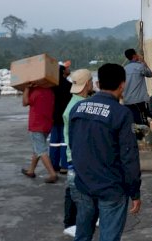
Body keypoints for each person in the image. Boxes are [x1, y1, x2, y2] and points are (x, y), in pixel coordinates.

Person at [69, 63, 141, 241]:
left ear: (98, 83)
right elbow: (129, 156)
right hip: (111, 188)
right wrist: (135, 192)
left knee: (82, 236)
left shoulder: (77, 108)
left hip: (83, 184)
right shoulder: (121, 113)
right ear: (122, 84)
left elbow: (73, 144)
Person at [61, 69, 95, 237]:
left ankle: (71, 223)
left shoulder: (76, 101)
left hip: (74, 154)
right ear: (87, 83)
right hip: (77, 156)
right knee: (76, 192)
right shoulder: (79, 106)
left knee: (75, 190)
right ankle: (71, 223)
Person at [21, 82, 58, 184]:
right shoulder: (50, 92)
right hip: (47, 124)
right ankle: (31, 171)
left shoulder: (36, 92)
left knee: (41, 150)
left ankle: (52, 174)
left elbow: (25, 102)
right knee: (37, 148)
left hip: (36, 124)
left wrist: (26, 89)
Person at [50, 63, 72, 174]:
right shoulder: (68, 85)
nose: (69, 70)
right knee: (65, 141)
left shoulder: (52, 85)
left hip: (53, 116)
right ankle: (64, 165)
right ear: (63, 72)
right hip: (64, 116)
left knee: (54, 141)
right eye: (67, 69)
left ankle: (54, 165)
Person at [123, 48, 152, 125]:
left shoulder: (124, 69)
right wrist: (143, 61)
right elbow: (150, 74)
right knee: (143, 122)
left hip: (127, 101)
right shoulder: (140, 67)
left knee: (132, 122)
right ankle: (143, 136)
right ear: (134, 55)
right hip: (139, 101)